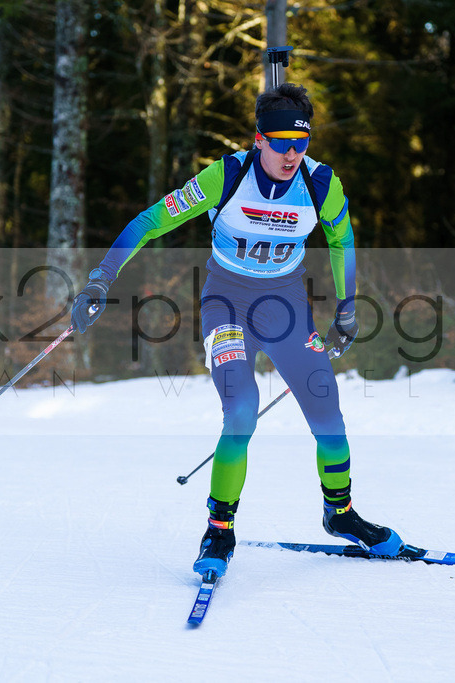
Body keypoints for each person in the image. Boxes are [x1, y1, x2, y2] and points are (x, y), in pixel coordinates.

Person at [71, 83, 403, 578]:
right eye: (282, 143)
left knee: (326, 407)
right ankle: (219, 529)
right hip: (226, 303)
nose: (292, 154)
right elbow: (149, 221)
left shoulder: (321, 184)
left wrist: (347, 309)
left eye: (301, 143)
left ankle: (340, 514)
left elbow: (342, 240)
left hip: (285, 304)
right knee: (242, 411)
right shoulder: (225, 177)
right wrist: (101, 278)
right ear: (259, 140)